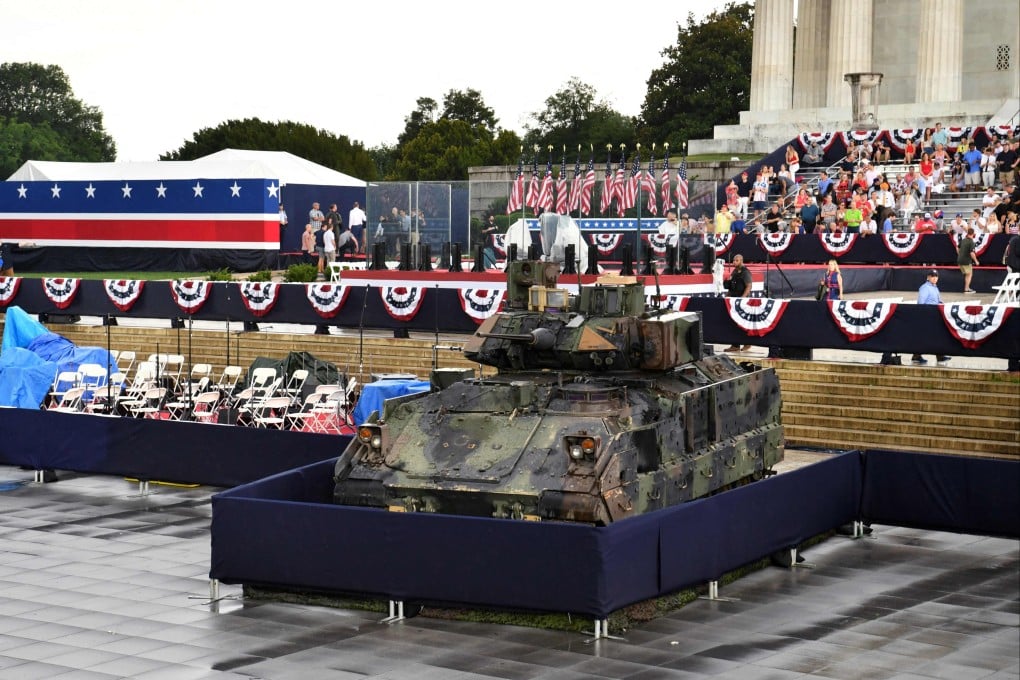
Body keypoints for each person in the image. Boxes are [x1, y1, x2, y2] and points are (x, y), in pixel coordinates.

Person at [911, 270, 950, 365]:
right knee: (926, 337)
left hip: (935, 315)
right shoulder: (924, 288)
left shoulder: (935, 287)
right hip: (927, 315)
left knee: (936, 336)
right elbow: (921, 303)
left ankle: (939, 356)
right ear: (928, 277)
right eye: (932, 276)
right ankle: (916, 356)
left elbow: (938, 301)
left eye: (936, 276)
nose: (935, 278)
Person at [723, 254, 752, 352]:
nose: (734, 262)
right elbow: (731, 286)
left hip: (742, 301)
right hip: (733, 300)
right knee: (734, 323)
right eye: (734, 260)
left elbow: (749, 286)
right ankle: (735, 345)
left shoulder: (745, 272)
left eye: (737, 260)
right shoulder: (734, 272)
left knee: (743, 323)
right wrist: (727, 296)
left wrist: (742, 298)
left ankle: (747, 343)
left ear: (741, 261)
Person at [956, 227, 979, 293]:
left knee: (967, 274)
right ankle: (967, 289)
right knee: (969, 274)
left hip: (959, 260)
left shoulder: (963, 240)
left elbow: (957, 247)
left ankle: (966, 288)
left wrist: (959, 254)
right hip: (966, 261)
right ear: (973, 234)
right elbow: (972, 253)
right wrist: (976, 261)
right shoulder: (971, 242)